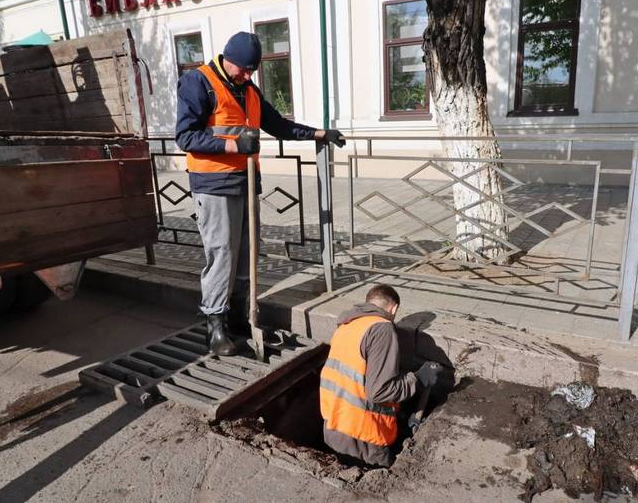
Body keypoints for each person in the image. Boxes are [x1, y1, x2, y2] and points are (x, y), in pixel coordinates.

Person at [175, 31, 345, 356]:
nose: (246, 75)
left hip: (246, 181)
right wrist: (232, 144)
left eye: (251, 70)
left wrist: (320, 133)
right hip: (213, 185)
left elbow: (278, 125)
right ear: (227, 58)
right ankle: (214, 325)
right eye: (242, 69)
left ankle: (240, 318)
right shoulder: (198, 82)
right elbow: (185, 136)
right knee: (222, 254)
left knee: (246, 255)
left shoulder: (248, 89)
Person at [319, 284, 443, 467]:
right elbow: (379, 391)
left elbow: (358, 373)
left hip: (333, 425)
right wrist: (418, 379)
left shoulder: (347, 325)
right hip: (363, 434)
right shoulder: (382, 329)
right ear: (394, 308)